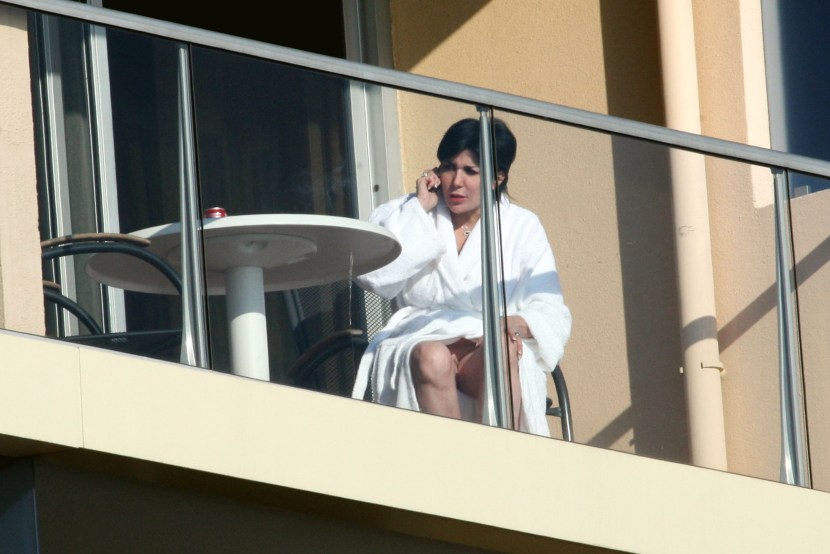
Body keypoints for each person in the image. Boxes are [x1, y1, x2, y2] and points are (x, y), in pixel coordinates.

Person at [351, 118, 571, 436]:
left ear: (497, 178)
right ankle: (454, 465)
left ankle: (503, 458)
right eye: (449, 167)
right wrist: (420, 212)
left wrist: (513, 323)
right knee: (431, 356)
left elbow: (551, 310)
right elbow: (375, 275)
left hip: (485, 347)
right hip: (421, 337)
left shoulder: (522, 226)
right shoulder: (407, 212)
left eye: (470, 171)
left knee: (503, 348)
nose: (455, 182)